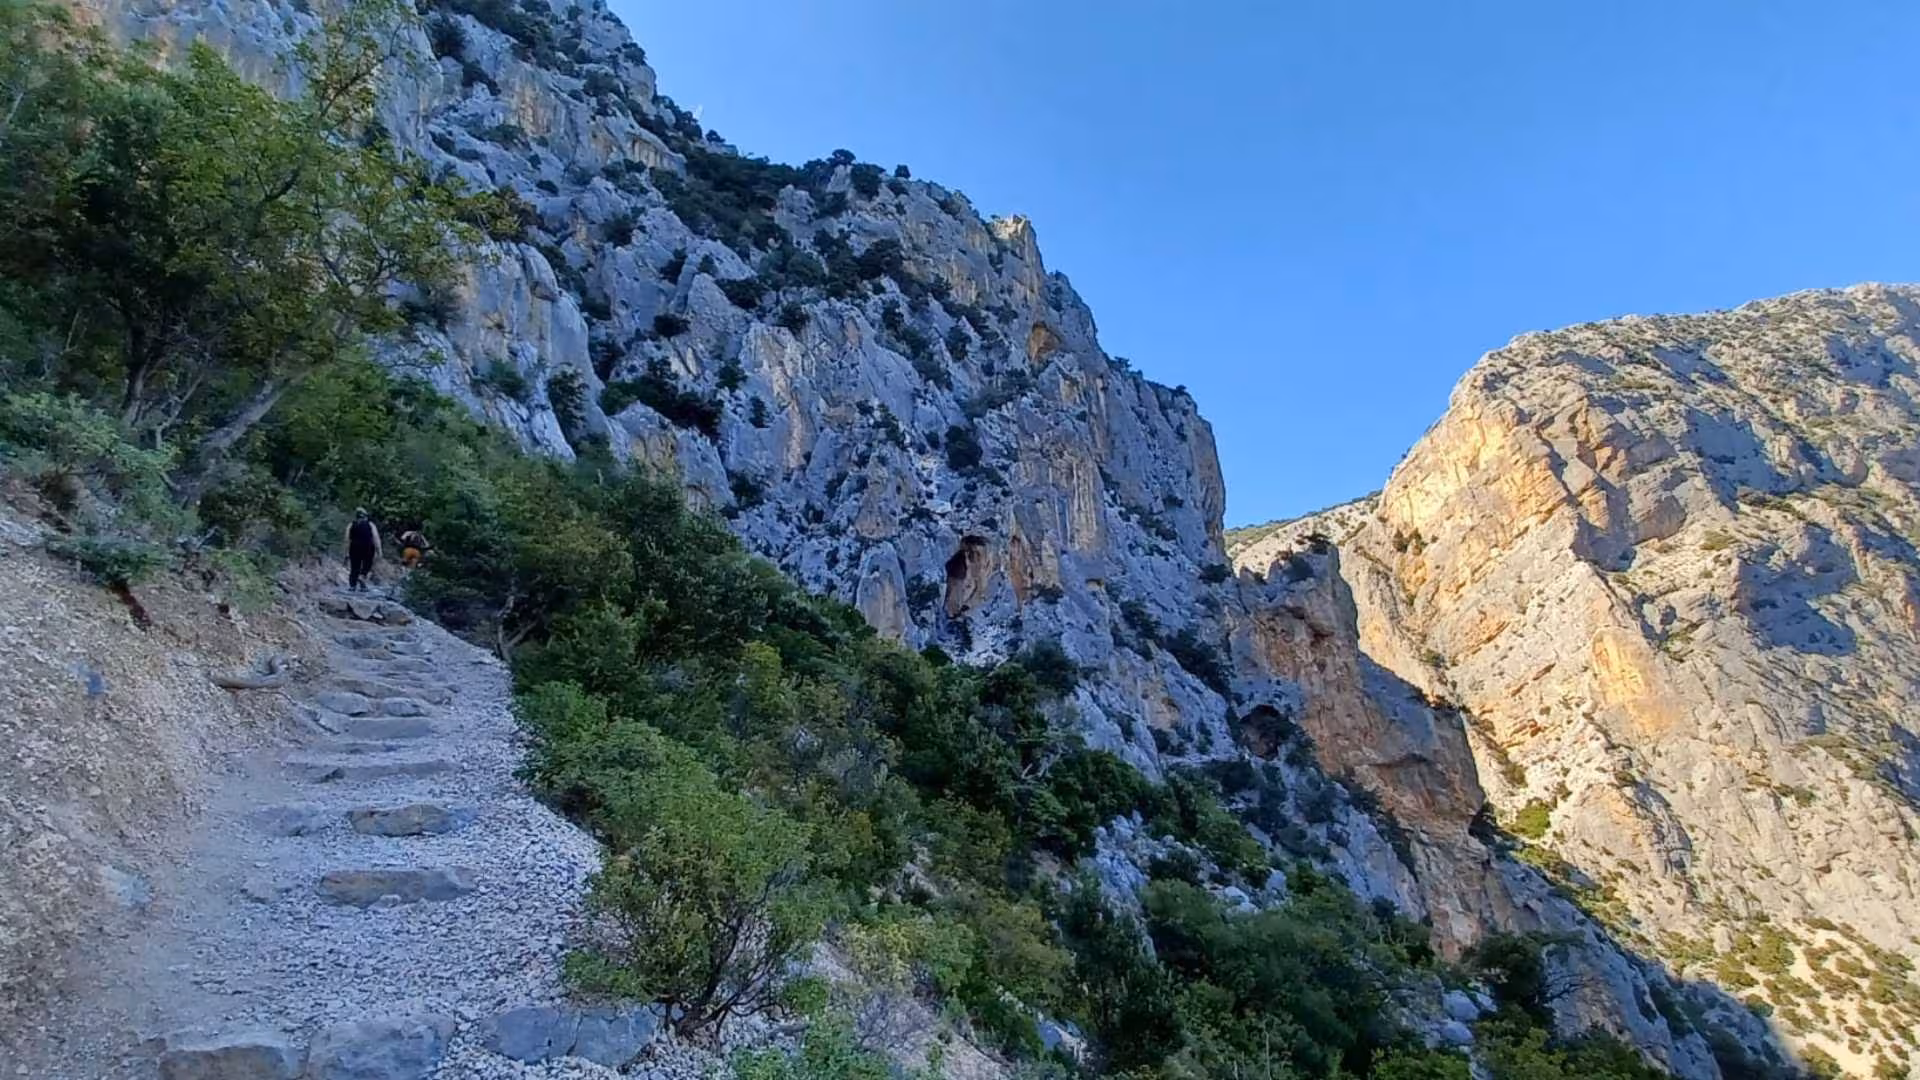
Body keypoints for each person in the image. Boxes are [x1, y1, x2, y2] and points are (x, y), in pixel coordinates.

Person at [346, 508, 381, 591]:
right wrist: (379, 550)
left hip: (354, 547)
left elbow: (346, 539)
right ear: (365, 516)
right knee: (367, 564)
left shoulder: (351, 524)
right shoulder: (370, 524)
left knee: (354, 566)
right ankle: (362, 576)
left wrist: (346, 552)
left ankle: (352, 585)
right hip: (368, 547)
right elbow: (376, 537)